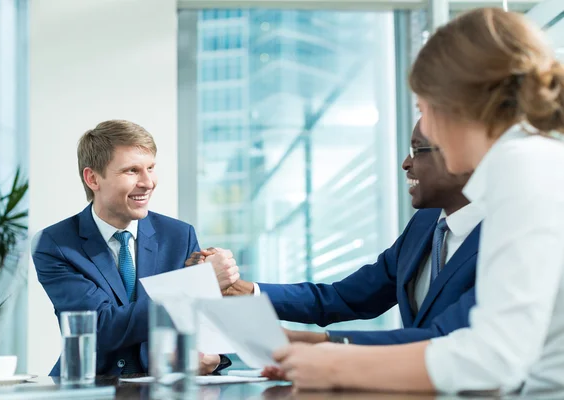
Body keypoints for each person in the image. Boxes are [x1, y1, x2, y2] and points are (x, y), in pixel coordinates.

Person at [267, 8, 564, 395]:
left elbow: (495, 357)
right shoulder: (539, 160)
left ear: (457, 103)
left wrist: (338, 363)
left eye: (423, 109)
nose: (422, 127)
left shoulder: (524, 164)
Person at [187, 121, 483, 346]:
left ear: (458, 155)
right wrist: (240, 289)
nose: (406, 163)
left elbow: (446, 339)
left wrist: (313, 343)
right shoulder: (424, 226)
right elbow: (342, 298)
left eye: (417, 150)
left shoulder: (506, 236)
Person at [32, 120, 238, 376]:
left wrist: (211, 357)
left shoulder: (179, 235)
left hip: (164, 387)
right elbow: (98, 328)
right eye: (132, 171)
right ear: (93, 178)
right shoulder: (56, 244)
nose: (148, 182)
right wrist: (195, 284)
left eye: (151, 168)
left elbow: (204, 329)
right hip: (90, 387)